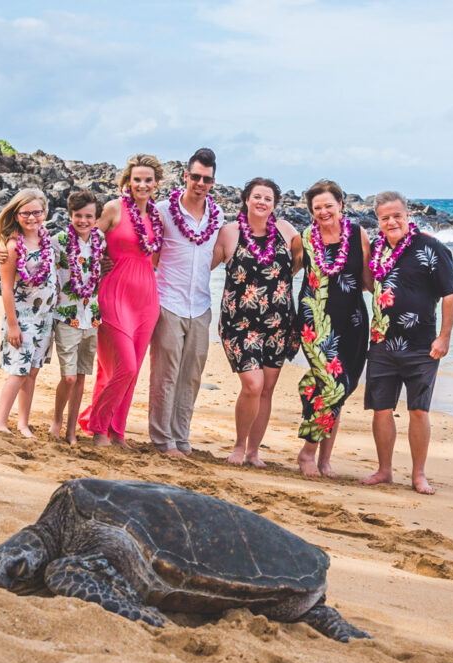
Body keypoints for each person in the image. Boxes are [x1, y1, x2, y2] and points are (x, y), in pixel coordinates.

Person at [360, 191, 453, 494]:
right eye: (385, 217)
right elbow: (366, 283)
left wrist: (444, 336)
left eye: (396, 216)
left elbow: (450, 294)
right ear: (378, 220)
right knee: (381, 408)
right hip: (381, 342)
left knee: (418, 410)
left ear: (407, 215)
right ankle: (384, 470)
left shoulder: (432, 248)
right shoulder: (376, 249)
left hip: (422, 345)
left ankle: (418, 474)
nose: (391, 222)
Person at [213, 177, 302, 467]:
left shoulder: (287, 231)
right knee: (252, 384)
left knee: (266, 389)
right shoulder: (228, 233)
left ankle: (254, 452)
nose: (262, 202)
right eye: (257, 197)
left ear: (274, 204)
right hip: (239, 325)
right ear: (246, 200)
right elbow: (202, 265)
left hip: (278, 324)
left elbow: (299, 264)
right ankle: (239, 446)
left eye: (268, 199)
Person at [82, 154, 165, 447]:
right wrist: (98, 262)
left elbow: (155, 257)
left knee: (133, 370)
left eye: (147, 180)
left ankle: (117, 432)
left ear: (156, 183)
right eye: (137, 180)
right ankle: (98, 428)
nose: (142, 185)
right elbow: (87, 237)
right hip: (114, 292)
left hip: (147, 298)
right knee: (124, 367)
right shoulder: (114, 209)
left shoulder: (156, 216)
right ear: (128, 182)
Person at [148, 148, 225, 457]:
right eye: (195, 177)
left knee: (191, 376)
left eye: (206, 179)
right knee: (165, 374)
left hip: (201, 305)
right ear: (186, 176)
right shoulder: (164, 210)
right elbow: (151, 254)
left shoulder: (217, 215)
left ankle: (182, 437)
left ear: (213, 181)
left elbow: (217, 254)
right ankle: (162, 439)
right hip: (168, 301)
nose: (200, 183)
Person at [296, 180, 370, 477]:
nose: (324, 212)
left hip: (353, 322)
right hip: (315, 322)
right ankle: (307, 454)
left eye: (329, 205)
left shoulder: (358, 235)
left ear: (341, 204)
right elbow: (285, 273)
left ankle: (325, 461)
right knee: (332, 386)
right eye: (317, 208)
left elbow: (367, 280)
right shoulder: (304, 238)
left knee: (341, 391)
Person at [0, 188, 59, 437]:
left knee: (31, 373)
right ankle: (0, 422)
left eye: (37, 212)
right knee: (17, 371)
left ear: (45, 212)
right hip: (21, 318)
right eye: (26, 213)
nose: (32, 218)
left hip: (44, 318)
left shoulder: (46, 241)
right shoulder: (12, 246)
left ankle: (23, 424)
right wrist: (13, 325)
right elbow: (6, 288)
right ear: (16, 215)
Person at [49, 190, 104, 445]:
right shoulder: (58, 240)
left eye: (89, 216)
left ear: (96, 217)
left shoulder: (100, 240)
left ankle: (72, 430)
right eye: (78, 215)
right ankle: (57, 420)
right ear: (70, 215)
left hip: (91, 316)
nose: (83, 221)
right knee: (68, 376)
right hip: (67, 315)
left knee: (81, 375)